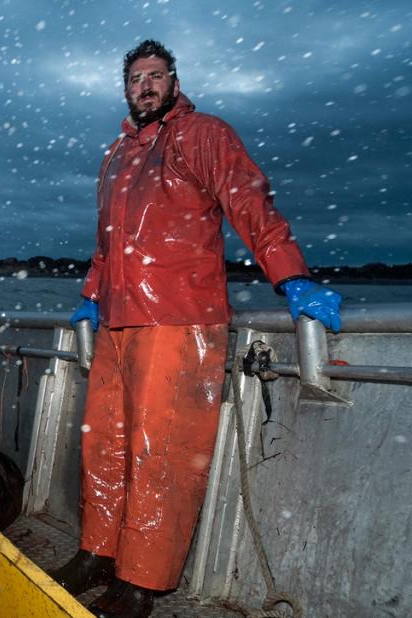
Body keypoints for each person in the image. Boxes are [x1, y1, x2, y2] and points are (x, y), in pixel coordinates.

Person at [55, 40, 343, 618]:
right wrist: (90, 297)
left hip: (179, 318)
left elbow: (250, 204)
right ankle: (98, 552)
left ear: (174, 80)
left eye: (155, 75)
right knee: (104, 444)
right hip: (117, 320)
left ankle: (141, 582)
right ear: (126, 88)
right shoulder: (114, 155)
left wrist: (293, 278)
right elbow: (106, 245)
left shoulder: (203, 133)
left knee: (159, 450)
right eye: (135, 78)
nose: (145, 86)